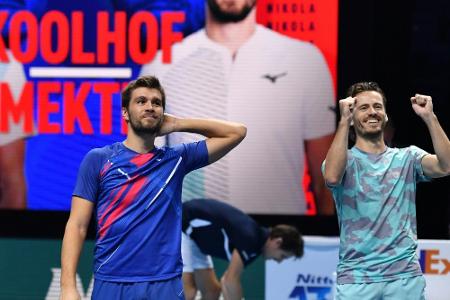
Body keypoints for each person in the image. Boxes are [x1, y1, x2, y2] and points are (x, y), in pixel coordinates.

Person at [60, 75, 246, 300]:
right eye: (141, 101)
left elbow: (237, 132)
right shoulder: (98, 159)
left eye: (156, 103)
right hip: (111, 281)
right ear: (125, 113)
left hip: (164, 285)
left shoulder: (177, 159)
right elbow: (77, 225)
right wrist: (67, 286)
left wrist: (178, 123)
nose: (150, 107)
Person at [141, 0, 336, 215]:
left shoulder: (305, 60)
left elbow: (326, 182)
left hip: (282, 239)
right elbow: (149, 180)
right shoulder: (162, 65)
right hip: (192, 241)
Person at [322, 82, 450, 299]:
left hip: (404, 279)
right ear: (352, 117)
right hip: (357, 279)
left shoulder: (408, 157)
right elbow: (332, 176)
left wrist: (430, 117)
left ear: (386, 115)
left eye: (377, 106)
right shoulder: (344, 161)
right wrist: (344, 120)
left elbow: (446, 166)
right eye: (363, 108)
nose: (372, 112)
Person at [181, 198, 303, 300]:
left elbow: (226, 281)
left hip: (194, 238)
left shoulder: (256, 245)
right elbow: (230, 280)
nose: (279, 261)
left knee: (212, 292)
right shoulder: (252, 239)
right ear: (277, 242)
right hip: (180, 225)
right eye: (282, 256)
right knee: (188, 293)